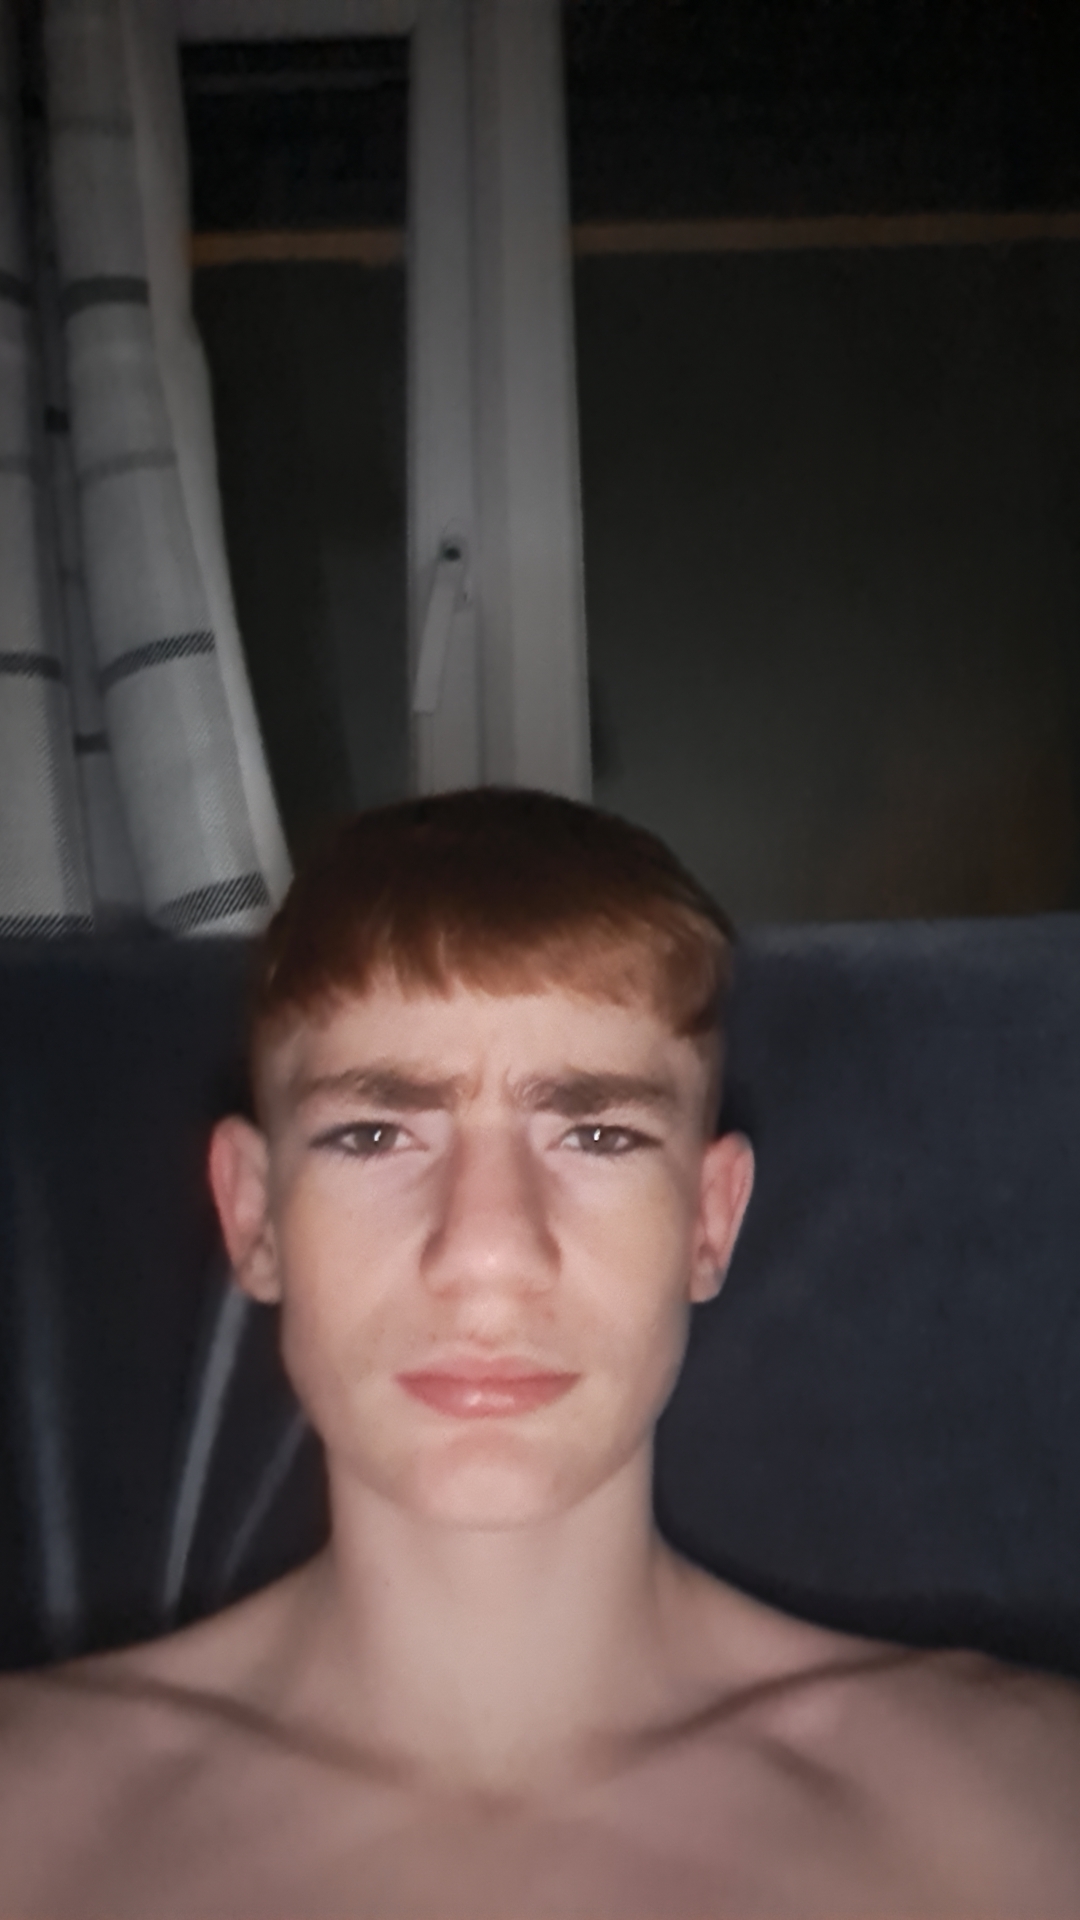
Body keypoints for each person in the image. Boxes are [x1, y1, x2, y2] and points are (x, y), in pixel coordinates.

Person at [1, 786, 1079, 1919]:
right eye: (374, 1133)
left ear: (709, 1222)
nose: (487, 1253)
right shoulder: (29, 1819)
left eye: (598, 1133)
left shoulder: (1026, 1813)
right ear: (254, 1216)